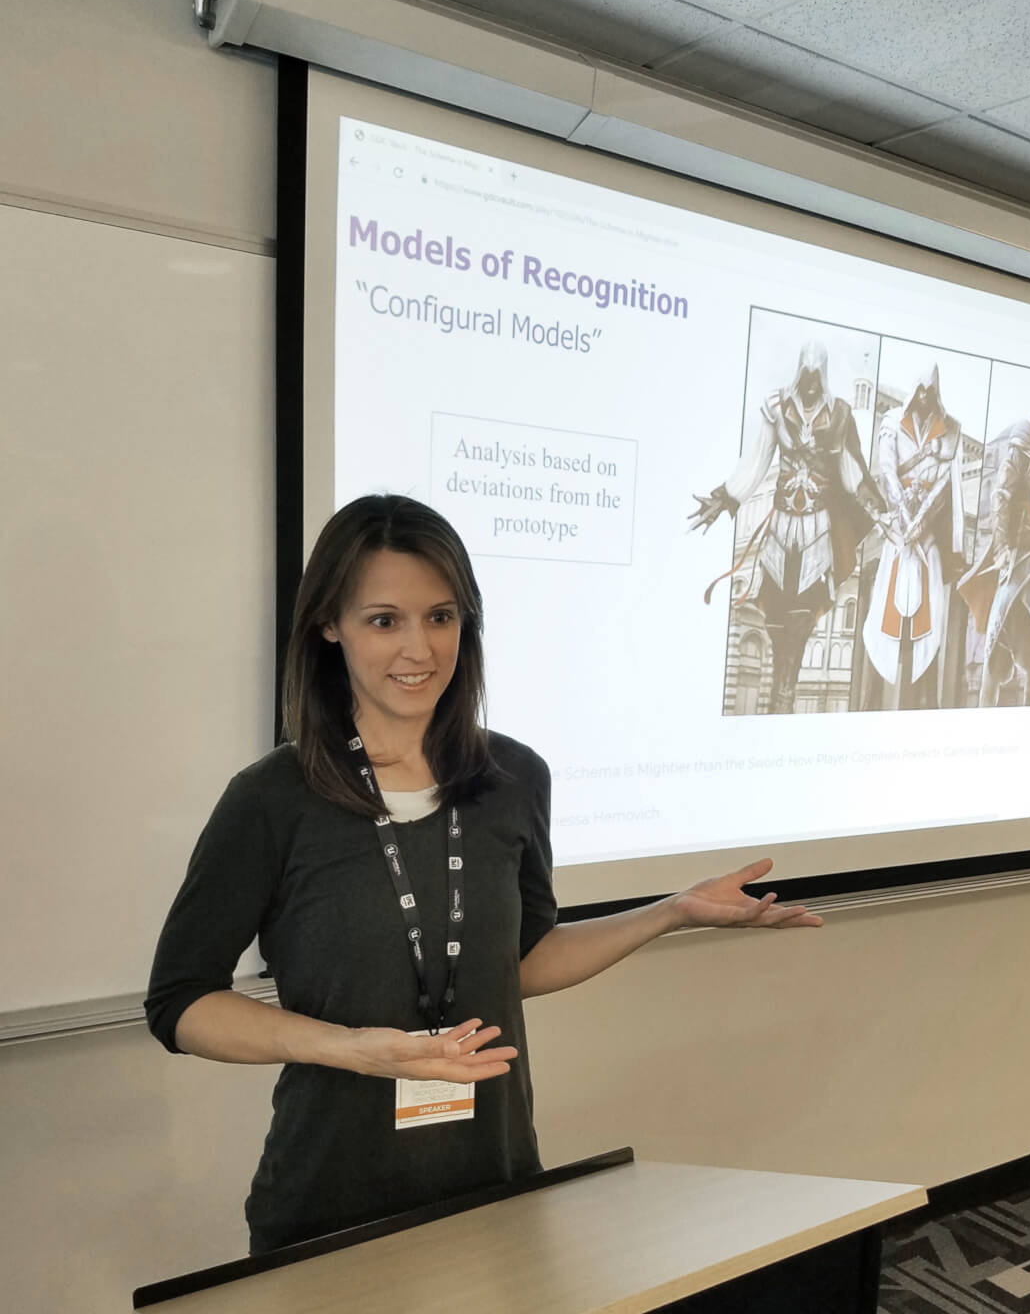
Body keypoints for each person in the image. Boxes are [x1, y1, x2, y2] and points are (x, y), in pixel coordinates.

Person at [146, 494, 823, 1255]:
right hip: (330, 1202)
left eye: (441, 617)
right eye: (384, 621)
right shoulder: (274, 799)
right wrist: (351, 1048)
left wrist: (667, 912)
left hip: (495, 1181)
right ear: (328, 625)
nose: (420, 649)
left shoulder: (514, 778)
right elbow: (181, 1003)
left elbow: (520, 961)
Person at [690, 340, 885, 713]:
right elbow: (757, 460)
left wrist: (878, 509)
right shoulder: (776, 408)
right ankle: (782, 693)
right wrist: (726, 497)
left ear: (822, 377)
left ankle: (785, 693)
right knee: (777, 619)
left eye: (816, 378)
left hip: (817, 531)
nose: (810, 385)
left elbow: (851, 472)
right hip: (781, 531)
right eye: (805, 377)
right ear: (799, 373)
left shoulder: (840, 414)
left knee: (802, 618)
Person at [958, 379, 1030, 706]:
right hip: (1019, 551)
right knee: (999, 620)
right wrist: (1004, 547)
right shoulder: (1020, 447)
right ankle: (985, 699)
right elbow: (1001, 497)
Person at [860, 363, 965, 709]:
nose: (923, 397)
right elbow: (888, 471)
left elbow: (944, 485)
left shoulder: (949, 432)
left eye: (929, 393)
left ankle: (924, 700)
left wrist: (921, 520)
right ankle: (872, 699)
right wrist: (904, 516)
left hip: (926, 537)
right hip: (896, 535)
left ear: (935, 395)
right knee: (880, 615)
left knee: (932, 614)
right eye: (920, 391)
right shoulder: (891, 423)